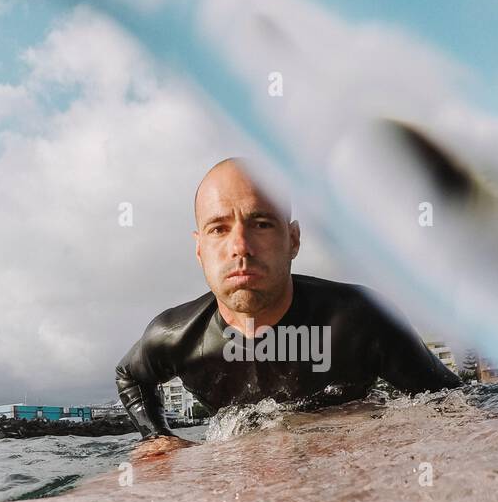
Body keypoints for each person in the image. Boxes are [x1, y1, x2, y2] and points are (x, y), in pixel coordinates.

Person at [115, 158, 461, 456]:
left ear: (293, 239)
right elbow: (130, 375)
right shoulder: (176, 337)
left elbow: (453, 403)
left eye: (261, 224)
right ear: (199, 249)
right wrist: (157, 436)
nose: (241, 247)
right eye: (219, 229)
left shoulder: (360, 319)